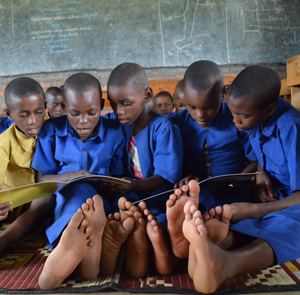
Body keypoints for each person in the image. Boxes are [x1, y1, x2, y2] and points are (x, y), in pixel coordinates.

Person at [182, 64, 300, 294]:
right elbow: (261, 159)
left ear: (269, 110)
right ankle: (212, 246)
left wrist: (254, 210)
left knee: (286, 226)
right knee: (250, 222)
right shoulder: (251, 116)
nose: (235, 122)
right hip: (273, 197)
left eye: (242, 116)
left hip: (292, 202)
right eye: (233, 113)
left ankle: (227, 264)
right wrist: (260, 172)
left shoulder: (291, 128)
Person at [1, 72, 126, 286]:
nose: (84, 121)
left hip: (102, 199)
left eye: (92, 112)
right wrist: (73, 177)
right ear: (64, 106)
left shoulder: (115, 132)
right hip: (64, 197)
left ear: (102, 105)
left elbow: (119, 174)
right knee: (79, 194)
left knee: (94, 201)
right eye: (75, 113)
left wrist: (115, 183)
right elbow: (42, 177)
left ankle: (81, 247)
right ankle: (83, 243)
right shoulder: (51, 130)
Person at [167, 60, 256, 259]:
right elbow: (170, 162)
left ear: (223, 94)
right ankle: (195, 237)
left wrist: (240, 178)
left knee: (249, 223)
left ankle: (199, 240)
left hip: (236, 194)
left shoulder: (237, 118)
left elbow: (255, 160)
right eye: (191, 107)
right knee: (187, 204)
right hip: (199, 194)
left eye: (209, 107)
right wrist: (185, 176)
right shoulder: (176, 124)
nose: (200, 115)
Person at [106, 62, 183, 275]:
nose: (119, 111)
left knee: (162, 216)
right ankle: (135, 241)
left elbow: (167, 177)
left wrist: (134, 184)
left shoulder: (164, 128)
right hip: (131, 193)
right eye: (113, 104)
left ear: (147, 95)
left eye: (126, 103)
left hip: (158, 192)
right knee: (118, 209)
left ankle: (156, 251)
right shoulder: (118, 123)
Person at [0, 77, 45, 222]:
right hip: (12, 210)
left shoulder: (51, 128)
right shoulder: (4, 143)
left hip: (43, 202)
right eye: (23, 115)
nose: (33, 121)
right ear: (9, 114)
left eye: (39, 112)